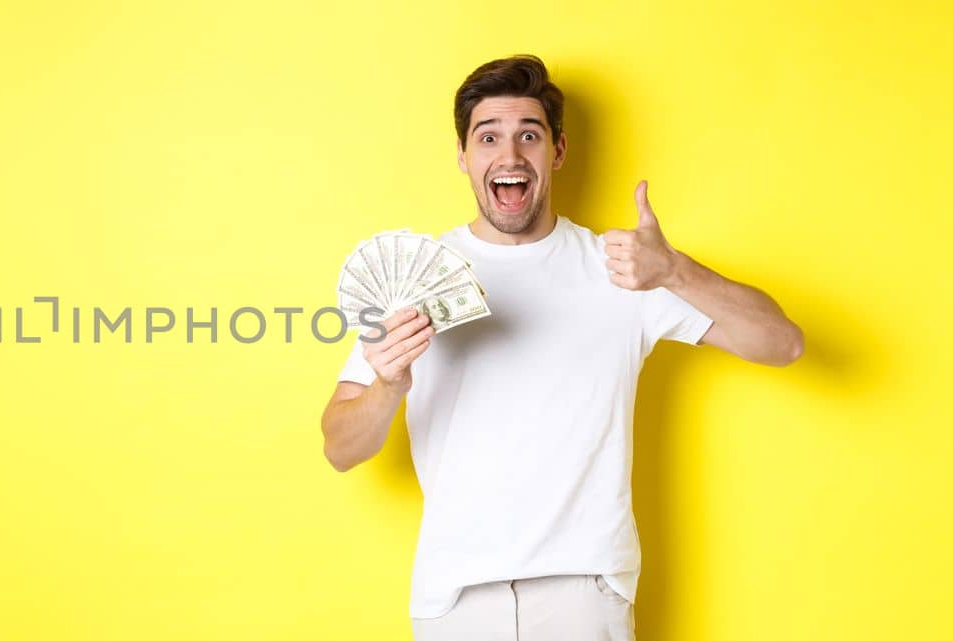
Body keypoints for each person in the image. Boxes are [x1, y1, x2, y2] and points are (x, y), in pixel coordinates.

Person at [318, 55, 804, 641]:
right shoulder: (415, 277)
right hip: (455, 598)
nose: (510, 155)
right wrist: (388, 385)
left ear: (558, 151)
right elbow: (341, 448)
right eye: (488, 137)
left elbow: (783, 344)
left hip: (585, 591)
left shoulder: (623, 270)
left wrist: (676, 270)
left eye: (529, 135)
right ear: (463, 156)